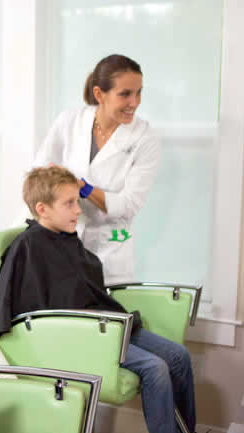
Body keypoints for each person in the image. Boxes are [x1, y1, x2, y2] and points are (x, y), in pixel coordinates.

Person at [0, 166, 196, 433]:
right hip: (83, 334)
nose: (78, 210)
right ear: (42, 209)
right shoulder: (27, 248)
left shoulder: (65, 238)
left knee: (179, 356)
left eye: (77, 201)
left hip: (108, 324)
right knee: (155, 367)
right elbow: (16, 309)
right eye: (69, 203)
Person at [32, 54, 161, 284]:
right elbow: (38, 174)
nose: (135, 102)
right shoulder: (70, 121)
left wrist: (82, 188)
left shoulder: (145, 138)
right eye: (125, 94)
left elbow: (129, 205)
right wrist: (52, 181)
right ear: (99, 94)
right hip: (60, 244)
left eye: (139, 92)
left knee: (103, 316)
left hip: (109, 252)